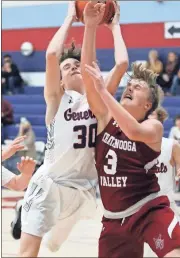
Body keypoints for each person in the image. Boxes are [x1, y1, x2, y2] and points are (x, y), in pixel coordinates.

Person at [18, 2, 128, 257]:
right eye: (67, 68)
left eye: (77, 64)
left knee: (55, 244)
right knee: (29, 251)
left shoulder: (99, 100)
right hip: (50, 184)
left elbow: (121, 64)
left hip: (83, 191)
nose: (73, 67)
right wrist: (70, 17)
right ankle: (23, 214)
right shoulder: (57, 99)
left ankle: (31, 219)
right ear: (61, 80)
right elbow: (51, 56)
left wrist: (114, 26)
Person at [81, 3, 180, 257]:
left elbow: (134, 132)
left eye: (138, 87)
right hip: (113, 219)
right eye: (131, 84)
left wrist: (104, 91)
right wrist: (93, 27)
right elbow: (93, 69)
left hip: (148, 210)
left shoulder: (153, 126)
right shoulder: (104, 118)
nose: (130, 86)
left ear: (148, 104)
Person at [144, 107, 180, 257]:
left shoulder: (171, 145)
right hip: (141, 207)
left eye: (151, 114)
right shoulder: (133, 144)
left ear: (160, 119)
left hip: (165, 205)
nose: (148, 118)